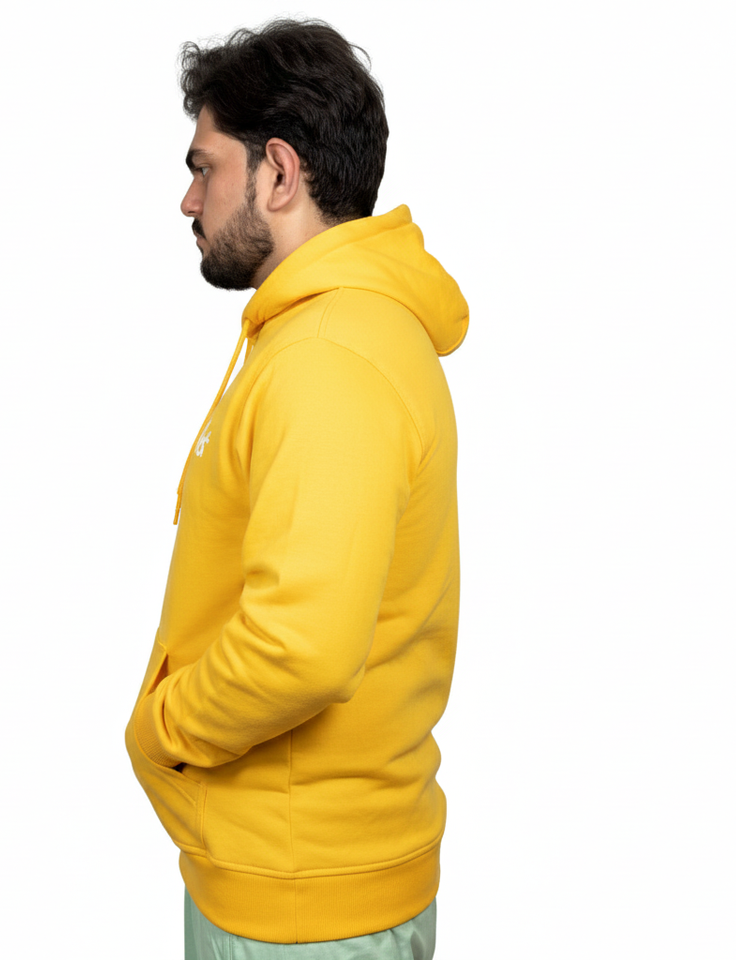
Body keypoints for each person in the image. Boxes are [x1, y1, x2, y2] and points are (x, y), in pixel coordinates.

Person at [125, 19, 468, 959]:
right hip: (303, 880)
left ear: (279, 174)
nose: (188, 199)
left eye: (205, 168)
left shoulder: (326, 357)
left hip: (301, 907)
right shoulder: (331, 335)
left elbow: (301, 649)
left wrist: (161, 731)